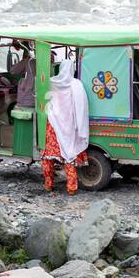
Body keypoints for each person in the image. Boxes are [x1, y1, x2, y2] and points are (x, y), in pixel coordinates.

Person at [42, 58, 90, 195]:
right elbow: (82, 107)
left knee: (48, 157)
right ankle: (71, 188)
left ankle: (48, 184)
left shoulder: (52, 82)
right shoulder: (76, 85)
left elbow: (41, 92)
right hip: (69, 128)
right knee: (69, 156)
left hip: (54, 126)